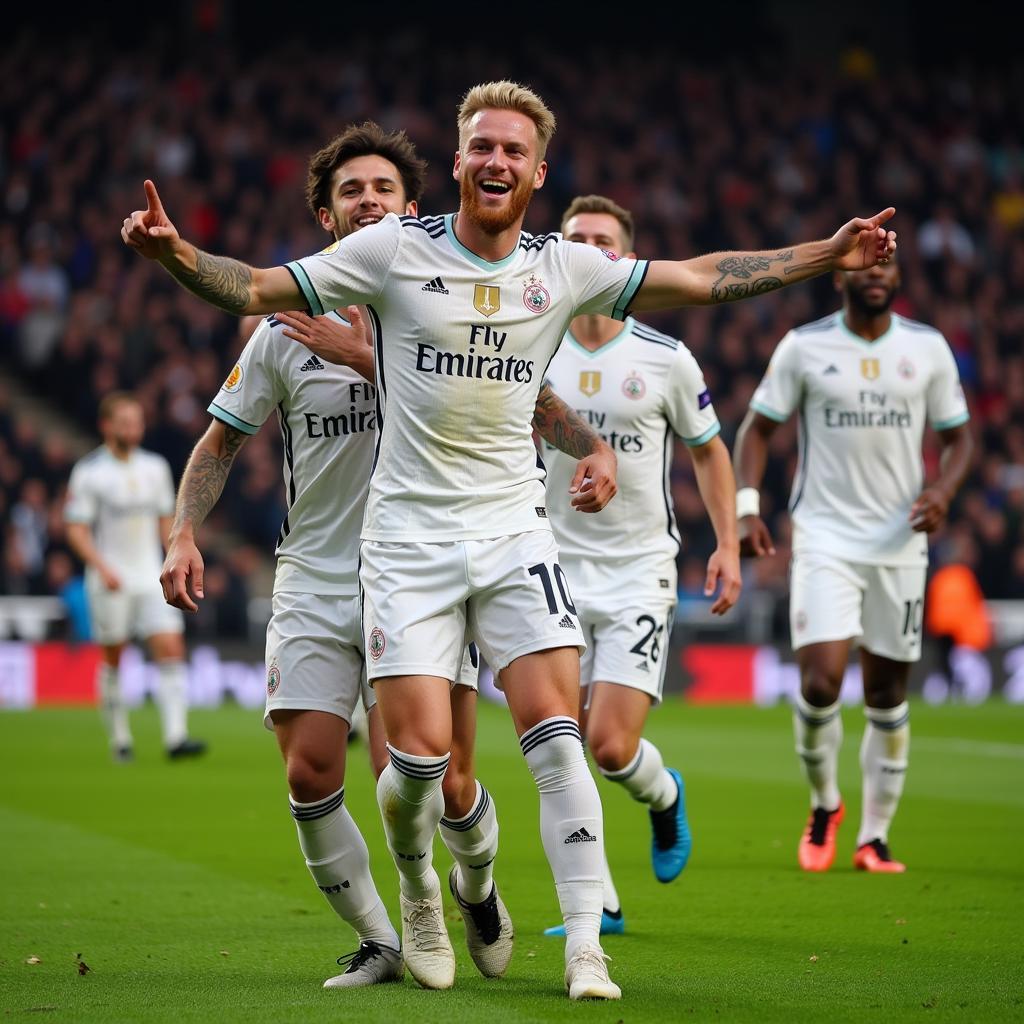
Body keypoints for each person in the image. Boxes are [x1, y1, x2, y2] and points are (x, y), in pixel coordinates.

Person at [121, 79, 897, 1000]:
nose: (495, 161)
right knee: (410, 769)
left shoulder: (561, 265)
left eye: (514, 150)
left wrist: (824, 254)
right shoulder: (392, 254)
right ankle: (417, 897)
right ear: (456, 162)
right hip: (405, 544)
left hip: (515, 533)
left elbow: (699, 277)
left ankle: (583, 952)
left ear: (536, 170)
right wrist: (174, 254)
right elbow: (248, 285)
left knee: (557, 739)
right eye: (480, 146)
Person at [159, 121, 614, 991]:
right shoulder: (284, 332)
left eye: (383, 192)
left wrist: (590, 443)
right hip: (321, 576)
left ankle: (475, 883)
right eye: (348, 194)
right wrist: (182, 529)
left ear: (411, 213)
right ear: (329, 221)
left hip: (427, 565)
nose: (367, 202)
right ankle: (388, 935)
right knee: (309, 769)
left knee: (439, 782)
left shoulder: (439, 307)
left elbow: (533, 405)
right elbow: (220, 444)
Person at [538, 195, 740, 938]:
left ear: (625, 258)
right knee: (559, 743)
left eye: (603, 241)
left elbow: (709, 449)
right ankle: (602, 905)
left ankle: (663, 796)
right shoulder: (532, 344)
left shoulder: (665, 356)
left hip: (637, 571)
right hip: (547, 566)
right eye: (576, 240)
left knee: (611, 745)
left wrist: (725, 541)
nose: (590, 250)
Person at [733, 252, 972, 873]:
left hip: (899, 543)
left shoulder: (927, 349)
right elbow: (756, 430)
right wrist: (748, 507)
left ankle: (875, 836)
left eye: (888, 267)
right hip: (824, 537)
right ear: (839, 278)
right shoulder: (804, 347)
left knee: (888, 695)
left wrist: (942, 492)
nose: (876, 274)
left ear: (897, 281)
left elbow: (959, 438)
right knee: (819, 684)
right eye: (864, 266)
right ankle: (824, 804)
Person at [63, 391, 206, 762]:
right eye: (125, 422)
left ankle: (177, 736)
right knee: (113, 656)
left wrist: (173, 560)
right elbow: (76, 529)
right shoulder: (90, 471)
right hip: (111, 578)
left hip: (148, 575)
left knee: (171, 647)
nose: (133, 429)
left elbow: (164, 521)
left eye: (137, 421)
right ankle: (120, 740)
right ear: (106, 426)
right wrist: (102, 567)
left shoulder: (154, 467)